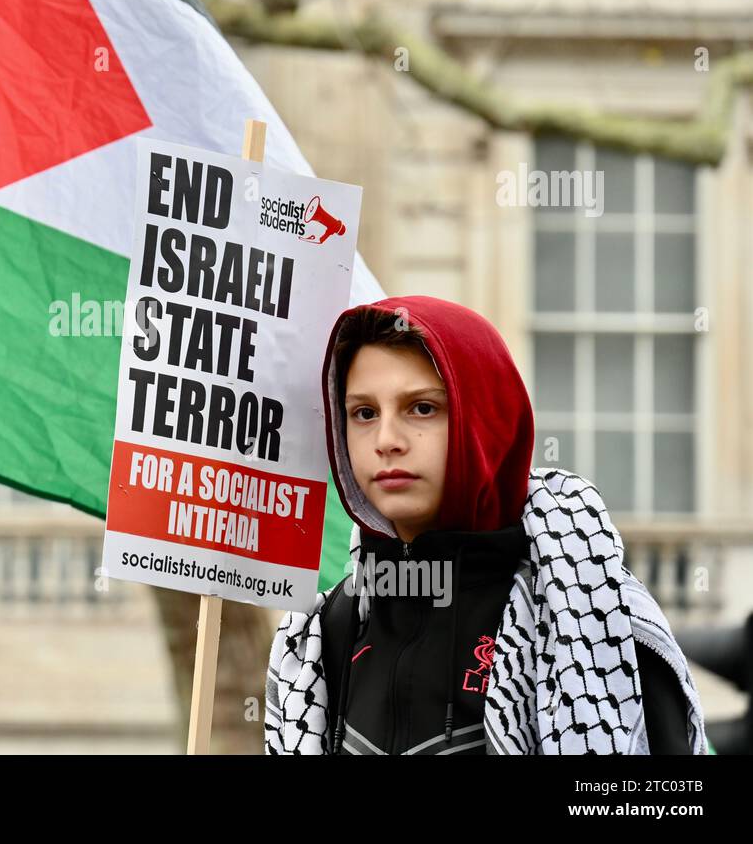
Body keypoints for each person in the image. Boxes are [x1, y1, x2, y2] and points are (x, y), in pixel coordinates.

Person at [264, 295, 707, 755]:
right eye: (364, 413)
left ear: (485, 420)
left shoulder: (595, 613)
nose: (387, 441)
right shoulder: (323, 638)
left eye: (422, 408)